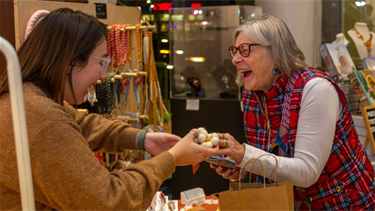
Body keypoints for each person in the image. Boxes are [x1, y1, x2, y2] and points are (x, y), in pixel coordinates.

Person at [0, 8, 218, 210]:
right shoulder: (43, 118)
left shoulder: (26, 96)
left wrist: (143, 139)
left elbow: (81, 123)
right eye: (101, 62)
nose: (103, 75)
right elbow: (110, 200)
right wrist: (170, 159)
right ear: (72, 61)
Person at [210, 14, 375, 210]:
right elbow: (273, 159)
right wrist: (243, 167)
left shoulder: (315, 89)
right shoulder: (252, 95)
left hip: (342, 204)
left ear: (275, 52)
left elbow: (307, 172)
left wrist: (244, 155)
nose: (235, 60)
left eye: (245, 50)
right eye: (235, 51)